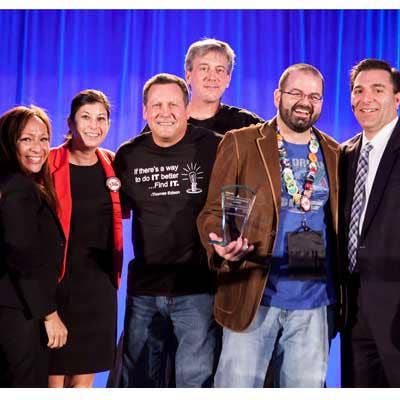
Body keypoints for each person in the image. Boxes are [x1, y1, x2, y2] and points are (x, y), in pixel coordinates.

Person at [197, 63, 341, 387]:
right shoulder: (241, 142)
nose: (305, 102)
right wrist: (219, 244)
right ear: (277, 96)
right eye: (296, 93)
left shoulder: (333, 152)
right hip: (253, 294)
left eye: (314, 96)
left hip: (314, 303)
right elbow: (212, 212)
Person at [115, 73, 221, 388]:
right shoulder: (128, 155)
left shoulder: (214, 147)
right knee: (139, 382)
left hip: (197, 289)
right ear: (144, 111)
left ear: (187, 109)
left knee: (194, 381)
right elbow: (113, 211)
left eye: (173, 104)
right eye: (157, 105)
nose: (165, 112)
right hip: (144, 290)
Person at [47, 89, 123, 388]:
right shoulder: (48, 163)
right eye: (86, 117)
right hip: (57, 284)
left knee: (84, 380)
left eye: (101, 118)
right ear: (71, 122)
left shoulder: (112, 164)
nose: (94, 125)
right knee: (53, 377)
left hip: (99, 288)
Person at [340, 59, 400, 387]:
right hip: (354, 310)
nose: (366, 98)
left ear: (397, 98)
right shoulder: (345, 154)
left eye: (378, 90)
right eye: (358, 90)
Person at [0, 106, 67, 387]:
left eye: (43, 139)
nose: (37, 148)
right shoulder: (18, 187)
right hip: (18, 312)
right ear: (8, 142)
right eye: (26, 139)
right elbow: (22, 257)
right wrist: (49, 314)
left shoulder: (15, 183)